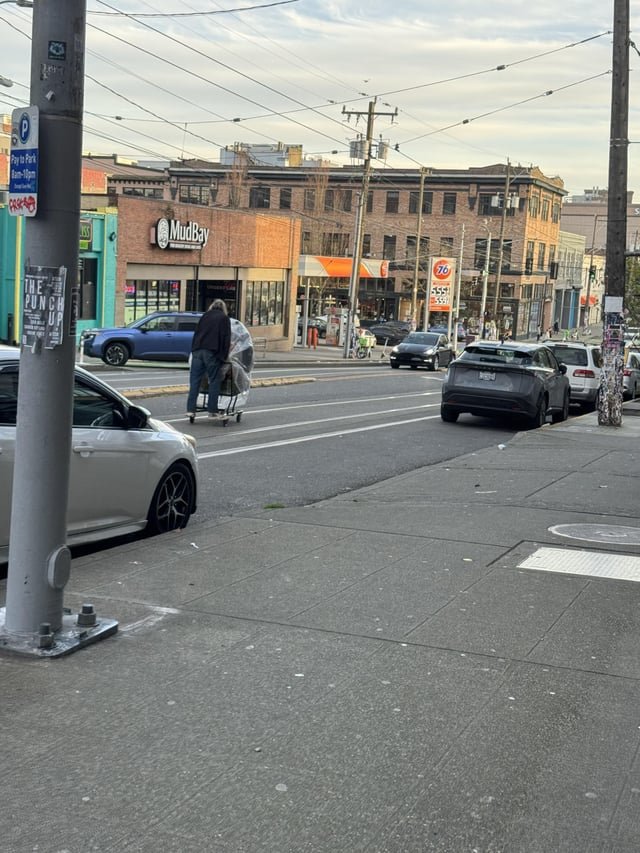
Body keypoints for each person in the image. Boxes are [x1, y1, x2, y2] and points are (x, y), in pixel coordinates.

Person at [186, 299, 231, 420]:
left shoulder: (204, 316)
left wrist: (193, 350)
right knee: (214, 380)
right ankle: (212, 411)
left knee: (195, 381)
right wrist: (223, 357)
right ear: (223, 308)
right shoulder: (224, 318)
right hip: (211, 351)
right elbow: (225, 339)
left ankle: (190, 410)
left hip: (197, 350)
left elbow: (196, 333)